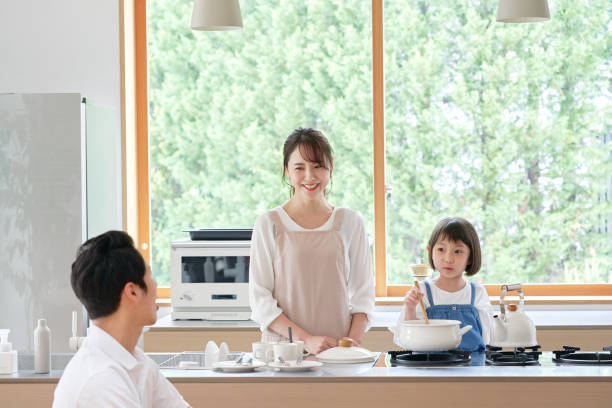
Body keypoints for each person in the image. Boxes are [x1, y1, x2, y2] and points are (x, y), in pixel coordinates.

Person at [249, 127, 375, 355]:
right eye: (300, 168)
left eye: (318, 166)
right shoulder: (269, 224)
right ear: (287, 170)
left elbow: (363, 296)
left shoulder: (351, 222)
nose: (310, 176)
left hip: (337, 352)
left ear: (331, 166)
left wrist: (350, 346)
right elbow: (260, 300)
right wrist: (306, 340)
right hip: (282, 354)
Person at [53, 231, 190, 408]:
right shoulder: (100, 380)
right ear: (132, 291)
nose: (156, 286)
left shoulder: (138, 363)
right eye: (150, 277)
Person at [398, 217, 493, 351]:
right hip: (430, 368)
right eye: (441, 249)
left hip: (472, 369)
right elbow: (409, 338)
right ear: (431, 251)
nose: (448, 259)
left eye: (458, 251)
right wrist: (410, 308)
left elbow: (488, 338)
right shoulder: (422, 290)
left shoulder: (477, 293)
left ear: (470, 257)